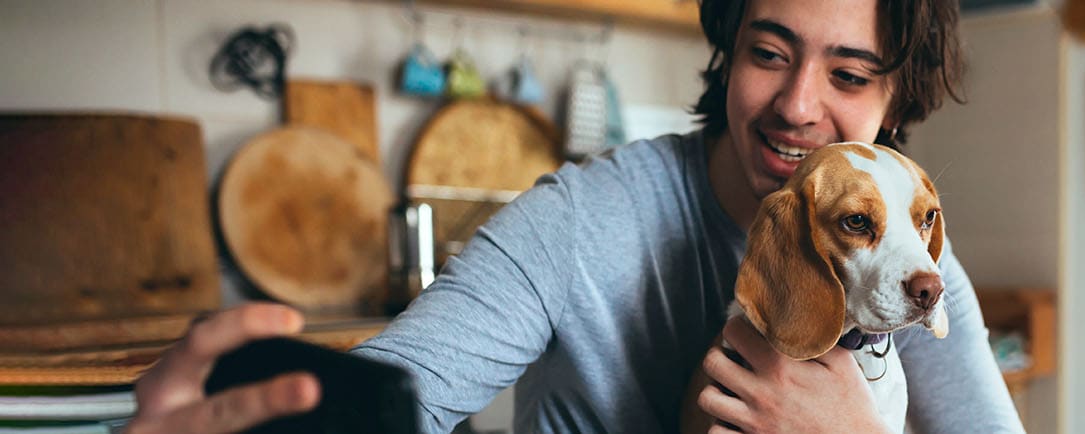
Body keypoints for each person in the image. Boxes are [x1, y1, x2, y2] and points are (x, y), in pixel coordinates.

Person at [127, 0, 1025, 432]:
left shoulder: (913, 270)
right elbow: (400, 390)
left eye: (850, 75)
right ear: (728, 49)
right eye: (768, 51)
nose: (795, 104)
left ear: (896, 97)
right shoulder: (580, 220)